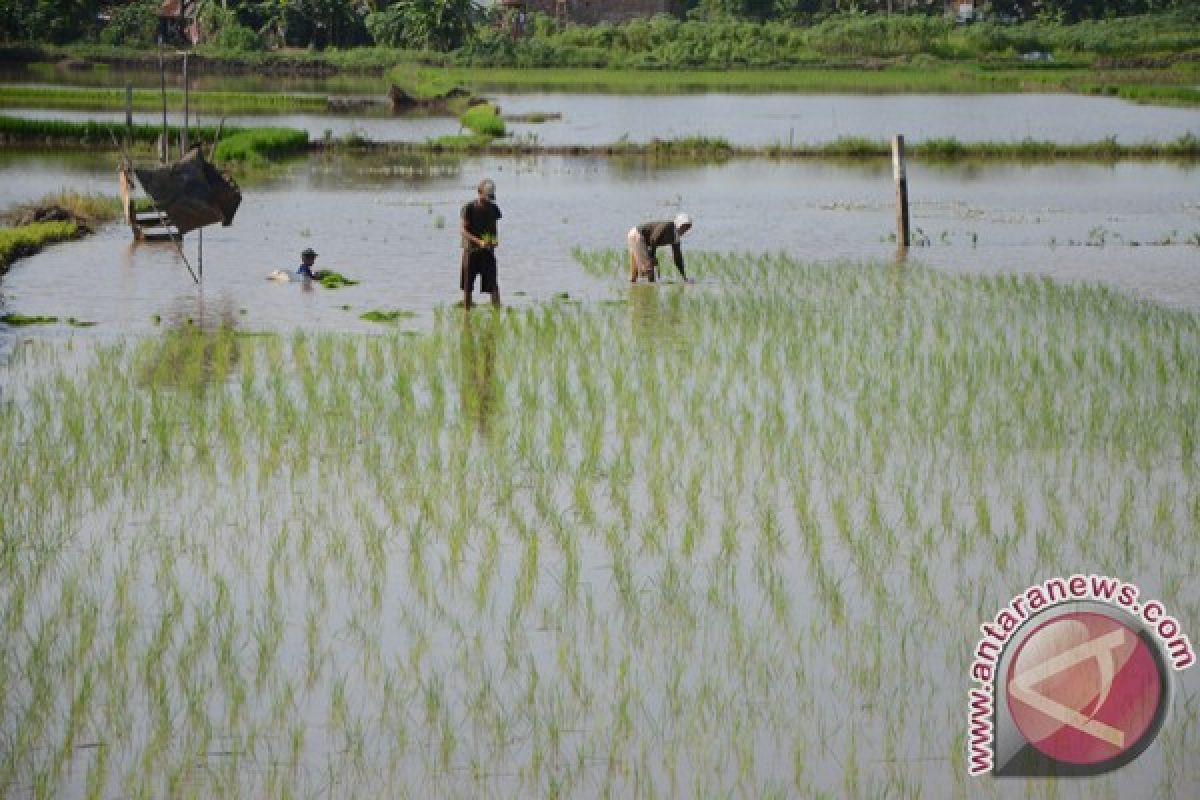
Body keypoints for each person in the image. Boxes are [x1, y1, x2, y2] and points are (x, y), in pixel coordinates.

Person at [461, 179, 502, 310]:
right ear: (479, 192)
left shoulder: (494, 209)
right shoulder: (469, 208)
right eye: (486, 197)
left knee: (493, 284)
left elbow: (494, 230)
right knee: (468, 287)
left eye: (491, 197)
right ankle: (466, 316)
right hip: (471, 252)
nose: (488, 201)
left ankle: (497, 314)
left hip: (487, 252)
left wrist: (494, 241)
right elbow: (463, 230)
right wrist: (479, 242)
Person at [627, 213, 692, 283]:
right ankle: (651, 287)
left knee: (634, 274)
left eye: (687, 228)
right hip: (637, 236)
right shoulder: (668, 226)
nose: (685, 230)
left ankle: (633, 286)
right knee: (649, 267)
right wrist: (652, 255)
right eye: (684, 226)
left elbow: (678, 258)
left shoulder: (676, 238)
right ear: (679, 224)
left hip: (639, 239)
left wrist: (684, 277)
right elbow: (654, 238)